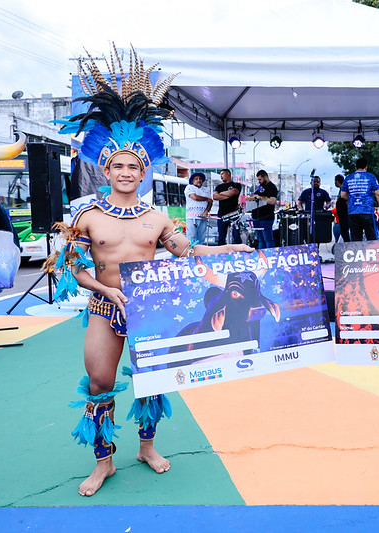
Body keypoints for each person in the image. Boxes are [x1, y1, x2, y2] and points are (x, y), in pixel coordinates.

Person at [45, 50, 253, 498]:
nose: (125, 171)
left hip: (147, 308)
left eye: (133, 166)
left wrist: (229, 247)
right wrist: (104, 289)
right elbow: (76, 268)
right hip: (104, 306)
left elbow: (187, 250)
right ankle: (104, 462)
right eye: (117, 165)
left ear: (143, 171)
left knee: (152, 380)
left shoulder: (157, 218)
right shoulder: (87, 215)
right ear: (106, 168)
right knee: (100, 383)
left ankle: (146, 447)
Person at [340, 158, 379, 241]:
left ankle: (358, 253)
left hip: (353, 212)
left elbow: (342, 195)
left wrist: (351, 198)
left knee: (356, 240)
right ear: (366, 167)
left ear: (355, 167)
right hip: (367, 211)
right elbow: (377, 194)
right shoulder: (371, 177)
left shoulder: (348, 178)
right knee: (371, 239)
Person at [248, 169, 277, 249]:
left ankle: (269, 255)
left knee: (267, 239)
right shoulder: (259, 187)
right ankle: (262, 256)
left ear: (265, 177)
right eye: (258, 180)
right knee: (260, 240)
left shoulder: (271, 187)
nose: (259, 181)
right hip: (257, 217)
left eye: (260, 179)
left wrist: (261, 198)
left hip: (266, 217)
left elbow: (272, 201)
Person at [213, 169, 243, 245]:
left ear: (228, 174)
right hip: (221, 214)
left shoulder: (236, 185)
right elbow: (215, 196)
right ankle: (221, 255)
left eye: (222, 173)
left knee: (236, 236)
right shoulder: (219, 187)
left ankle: (239, 253)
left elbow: (234, 192)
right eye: (220, 174)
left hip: (234, 214)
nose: (221, 176)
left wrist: (221, 194)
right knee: (221, 238)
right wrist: (228, 195)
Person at [184, 172, 212, 245]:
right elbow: (195, 197)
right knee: (191, 239)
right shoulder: (189, 187)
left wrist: (206, 211)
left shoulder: (206, 190)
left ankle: (198, 255)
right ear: (192, 180)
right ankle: (190, 255)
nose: (198, 180)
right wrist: (206, 199)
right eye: (196, 179)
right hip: (192, 217)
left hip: (203, 217)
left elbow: (210, 201)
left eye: (200, 179)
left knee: (201, 239)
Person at [333, 173, 349, 242]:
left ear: (337, 181)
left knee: (345, 234)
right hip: (342, 217)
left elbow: (347, 201)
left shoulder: (344, 189)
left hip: (345, 217)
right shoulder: (341, 190)